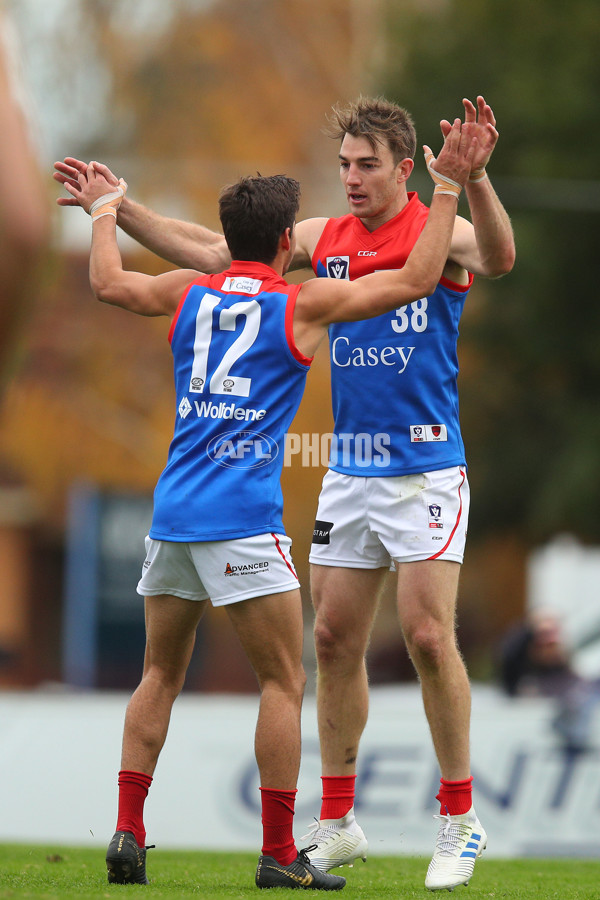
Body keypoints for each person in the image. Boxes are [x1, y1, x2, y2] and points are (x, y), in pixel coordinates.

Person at [58, 119, 476, 889]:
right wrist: (449, 185)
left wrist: (107, 211)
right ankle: (281, 852)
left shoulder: (190, 292)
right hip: (243, 521)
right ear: (289, 242)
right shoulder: (301, 306)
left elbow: (110, 284)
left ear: (229, 237)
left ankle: (126, 832)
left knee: (158, 676)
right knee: (284, 682)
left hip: (171, 514)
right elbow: (417, 280)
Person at [498, 609, 600, 752]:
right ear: (532, 649)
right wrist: (529, 628)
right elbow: (508, 661)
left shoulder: (570, 677)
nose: (551, 650)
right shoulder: (527, 683)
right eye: (544, 646)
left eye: (554, 645)